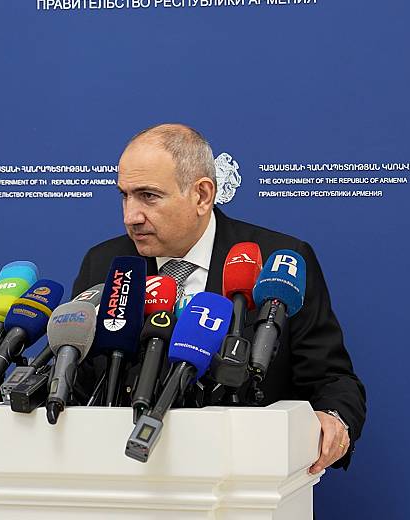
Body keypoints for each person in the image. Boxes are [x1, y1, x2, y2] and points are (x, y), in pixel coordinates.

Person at [71, 123, 366, 473]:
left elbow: (331, 379)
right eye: (125, 195)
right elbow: (78, 379)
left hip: (248, 473)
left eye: (148, 196)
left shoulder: (278, 259)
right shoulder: (105, 264)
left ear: (202, 195)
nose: (130, 216)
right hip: (123, 473)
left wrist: (334, 417)